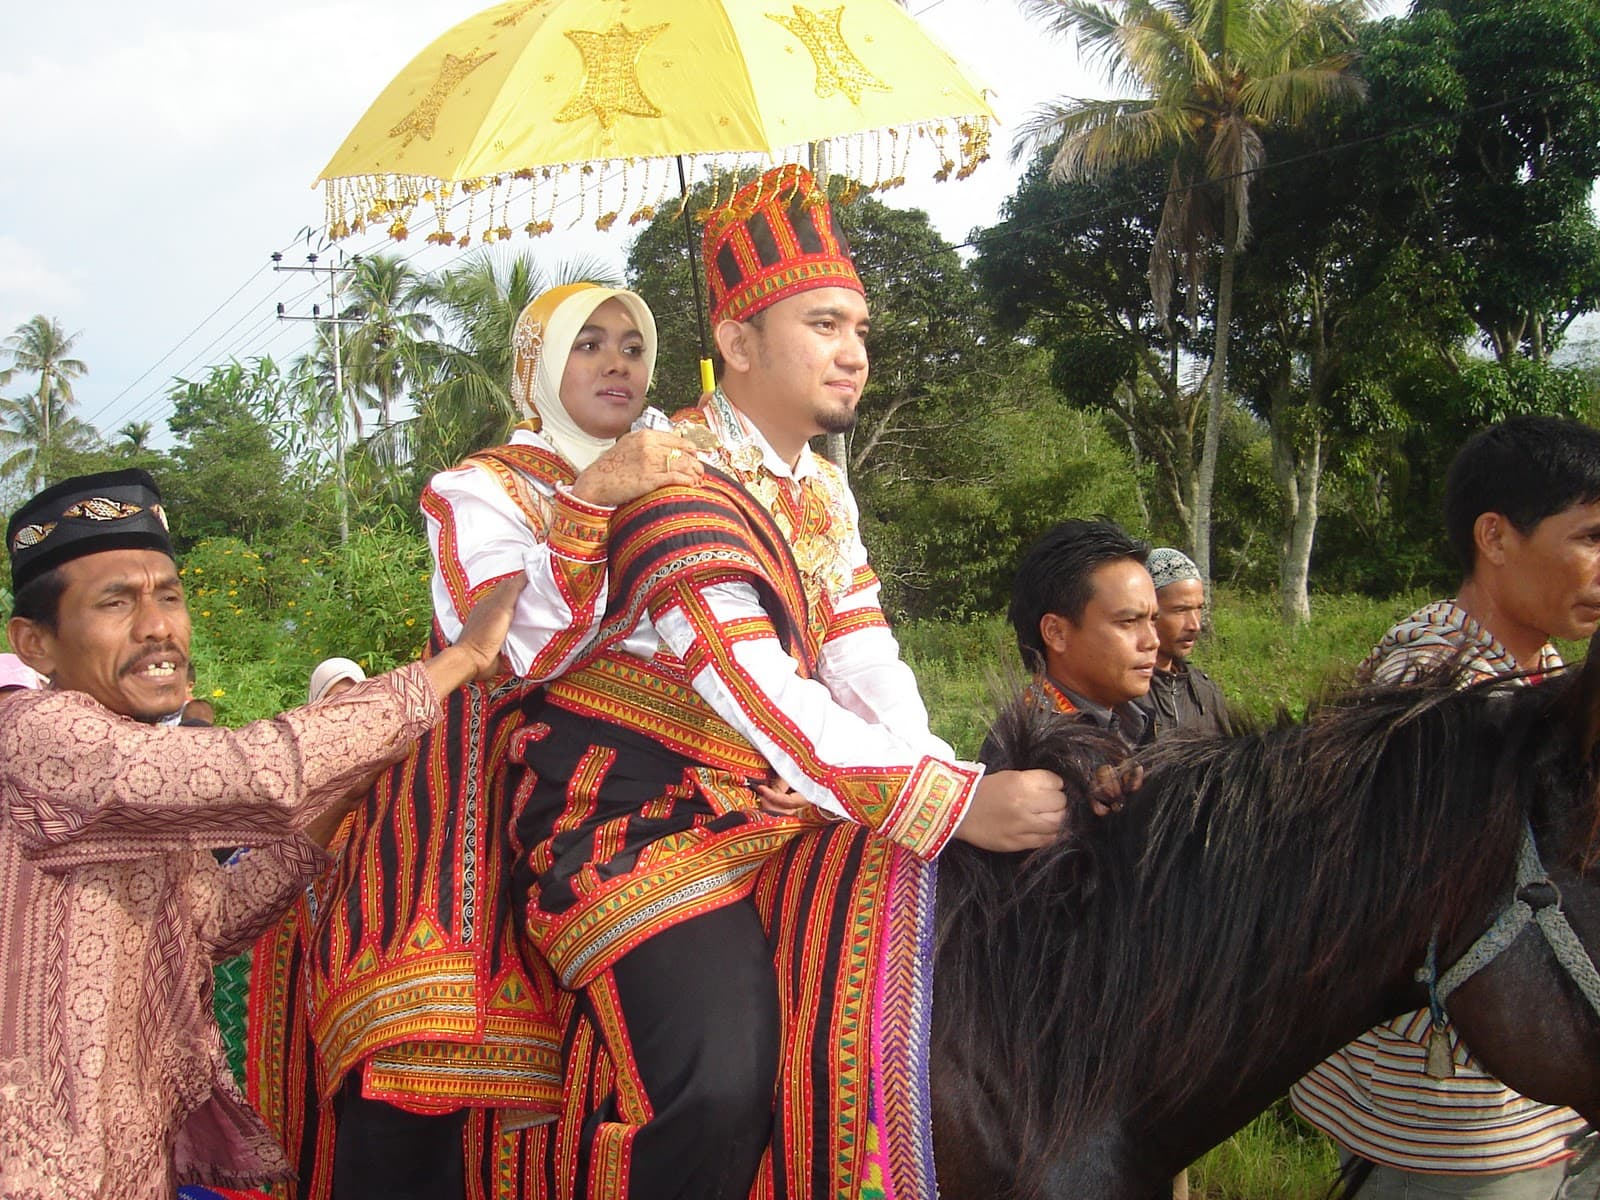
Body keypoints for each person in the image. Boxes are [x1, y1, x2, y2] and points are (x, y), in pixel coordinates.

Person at [505, 164, 1068, 1200]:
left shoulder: (817, 490)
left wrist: (942, 772)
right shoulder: (672, 477)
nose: (852, 352)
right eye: (821, 324)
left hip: (780, 800)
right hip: (639, 823)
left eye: (858, 326)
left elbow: (863, 658)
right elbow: (752, 685)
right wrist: (950, 804)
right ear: (735, 341)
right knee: (723, 1081)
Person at [247, 284, 703, 1200]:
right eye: (589, 345)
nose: (618, 364)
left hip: (651, 769)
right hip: (474, 787)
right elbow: (510, 644)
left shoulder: (682, 468)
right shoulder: (479, 485)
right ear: (536, 367)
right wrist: (590, 501)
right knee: (424, 1076)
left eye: (632, 346)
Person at [0, 467, 521, 1200]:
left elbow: (220, 916)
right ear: (36, 644)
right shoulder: (38, 735)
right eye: (116, 602)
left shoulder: (141, 771)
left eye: (169, 596)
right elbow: (260, 772)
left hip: (123, 1167)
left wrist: (354, 781)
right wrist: (457, 661)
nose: (157, 626)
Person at [1290, 414, 1600, 1198]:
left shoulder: (1536, 666)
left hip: (1540, 1092)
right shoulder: (1430, 689)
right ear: (1495, 538)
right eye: (1591, 538)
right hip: (1456, 1119)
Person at [1003, 518, 1161, 749]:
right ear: (1056, 633)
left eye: (1153, 620)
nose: (1152, 641)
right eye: (1128, 621)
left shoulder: (1135, 721)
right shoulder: (1030, 751)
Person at [1134, 547, 1231, 738]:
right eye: (1180, 610)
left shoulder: (1206, 693)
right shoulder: (1124, 694)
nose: (1195, 625)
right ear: (1148, 611)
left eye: (1198, 609)